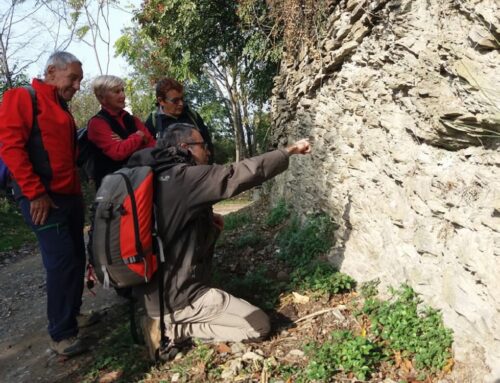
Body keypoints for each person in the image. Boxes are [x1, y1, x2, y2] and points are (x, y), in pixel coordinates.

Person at [129, 123, 311, 355]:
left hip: (151, 293)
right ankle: (172, 330)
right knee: (258, 325)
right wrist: (288, 151)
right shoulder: (184, 176)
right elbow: (238, 174)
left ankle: (163, 318)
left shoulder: (154, 175)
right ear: (185, 147)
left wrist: (207, 222)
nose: (208, 151)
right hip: (176, 298)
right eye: (202, 145)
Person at [0, 51, 97, 357]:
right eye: (73, 78)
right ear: (52, 72)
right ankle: (61, 334)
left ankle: (74, 313)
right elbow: (11, 147)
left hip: (69, 198)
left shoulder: (62, 109)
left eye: (79, 79)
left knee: (77, 258)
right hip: (42, 200)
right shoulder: (22, 97)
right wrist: (34, 193)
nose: (78, 85)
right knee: (63, 262)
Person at [87, 75, 155, 189]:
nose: (123, 95)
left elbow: (152, 145)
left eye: (122, 90)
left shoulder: (132, 119)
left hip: (141, 183)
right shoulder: (97, 123)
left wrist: (125, 143)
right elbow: (118, 153)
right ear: (102, 97)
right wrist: (138, 137)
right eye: (116, 92)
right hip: (114, 189)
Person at [144, 77, 214, 161]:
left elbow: (207, 143)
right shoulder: (152, 121)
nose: (181, 104)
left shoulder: (192, 116)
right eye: (175, 101)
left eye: (182, 99)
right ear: (161, 101)